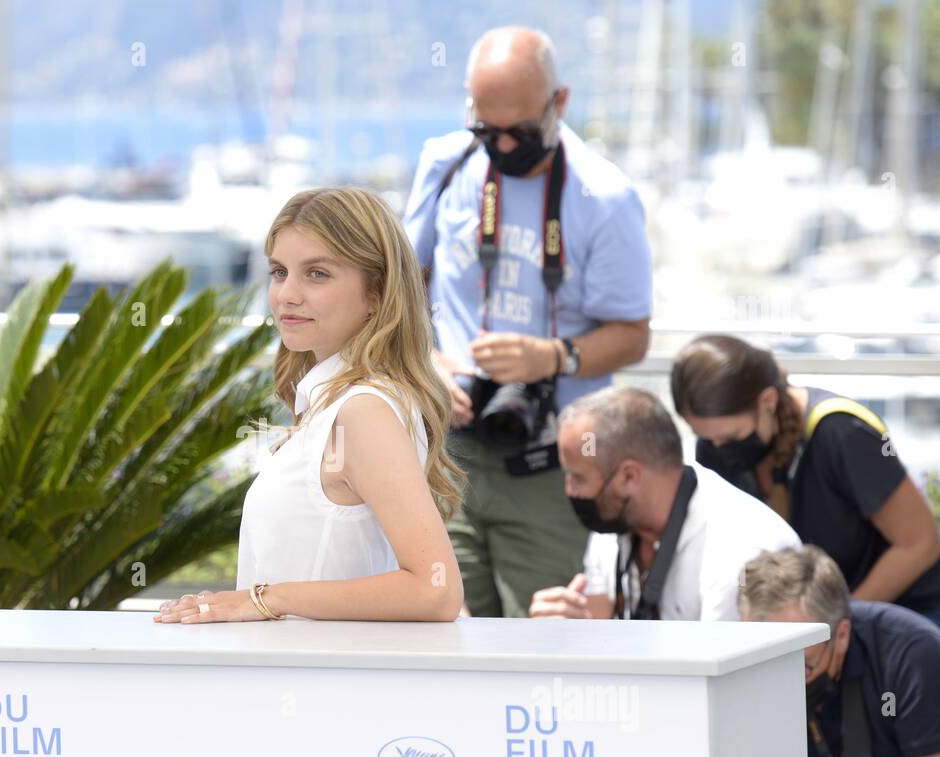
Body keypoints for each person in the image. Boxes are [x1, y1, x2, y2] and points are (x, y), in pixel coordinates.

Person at [403, 25, 652, 618]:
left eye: (521, 131)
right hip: (448, 449)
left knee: (541, 643)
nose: (506, 148)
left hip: (552, 462)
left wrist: (553, 358)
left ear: (559, 103)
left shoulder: (603, 196)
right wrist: (429, 362)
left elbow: (633, 334)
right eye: (487, 131)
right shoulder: (446, 163)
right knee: (442, 636)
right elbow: (402, 292)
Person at [155, 186, 466, 624]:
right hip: (304, 678)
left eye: (317, 274)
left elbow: (435, 590)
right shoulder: (336, 404)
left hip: (323, 685)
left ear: (376, 293)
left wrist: (264, 598)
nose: (287, 294)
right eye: (279, 272)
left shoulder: (363, 411)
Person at [672, 334, 940, 628]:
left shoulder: (843, 432)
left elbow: (920, 544)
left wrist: (835, 624)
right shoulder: (715, 449)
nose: (718, 448)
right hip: (804, 621)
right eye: (707, 438)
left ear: (768, 401)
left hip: (901, 614)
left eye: (731, 437)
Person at [739, 545, 940, 757]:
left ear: (842, 635)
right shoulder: (733, 668)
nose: (781, 681)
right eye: (767, 663)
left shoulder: (909, 655)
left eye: (802, 665)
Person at [528, 387, 799, 621]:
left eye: (577, 478)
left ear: (629, 476)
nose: (569, 490)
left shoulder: (739, 552)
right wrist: (564, 631)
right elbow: (597, 621)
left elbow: (719, 675)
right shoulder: (615, 517)